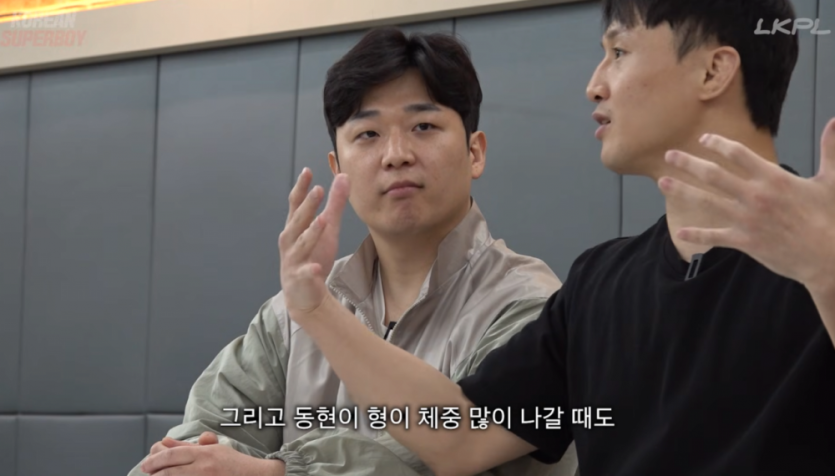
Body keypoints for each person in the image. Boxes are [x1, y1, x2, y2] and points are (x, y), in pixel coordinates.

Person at [273, 1, 835, 475]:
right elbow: (461, 436)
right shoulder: (600, 284)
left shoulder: (824, 254)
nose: (595, 85)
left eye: (619, 52)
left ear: (712, 71)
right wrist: (316, 306)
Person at [130, 27, 579, 476]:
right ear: (337, 167)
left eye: (423, 126)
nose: (396, 154)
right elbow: (205, 432)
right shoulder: (288, 318)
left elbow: (444, 448)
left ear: (474, 152)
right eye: (368, 134)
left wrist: (274, 472)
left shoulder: (530, 306)